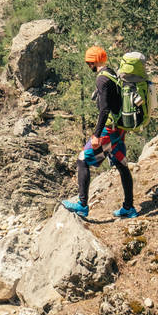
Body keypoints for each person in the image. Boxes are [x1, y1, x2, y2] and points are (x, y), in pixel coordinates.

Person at [62, 45, 138, 219]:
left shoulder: (101, 80)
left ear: (94, 61)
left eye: (89, 62)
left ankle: (82, 205)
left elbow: (104, 109)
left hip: (108, 131)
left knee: (82, 160)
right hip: (119, 130)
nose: (88, 65)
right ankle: (129, 208)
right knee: (122, 165)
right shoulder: (112, 73)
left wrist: (96, 135)